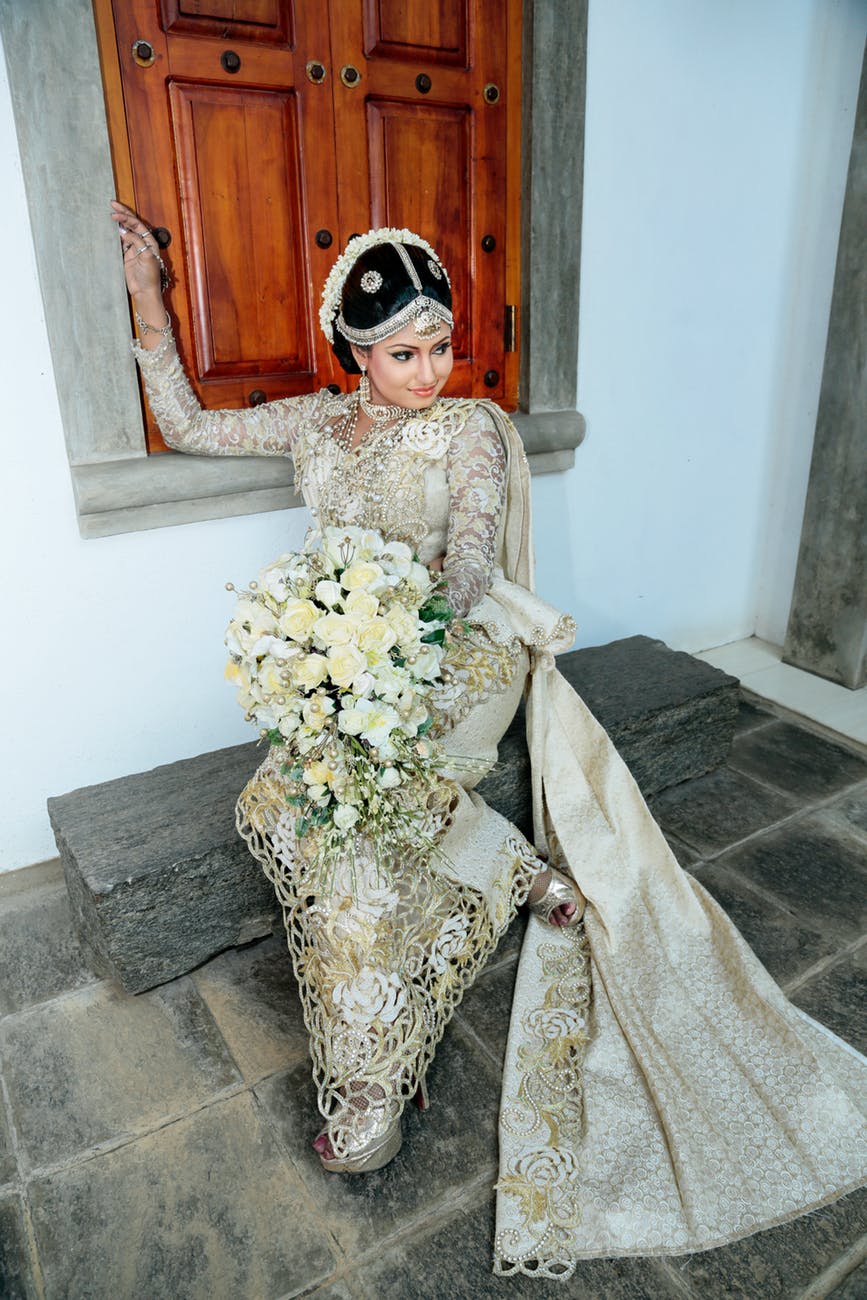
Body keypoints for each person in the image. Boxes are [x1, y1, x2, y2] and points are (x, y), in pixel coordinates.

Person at [111, 200, 867, 1281]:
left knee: (365, 814)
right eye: (403, 353)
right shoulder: (314, 423)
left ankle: (372, 1079)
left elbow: (469, 563)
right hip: (350, 669)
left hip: (454, 655)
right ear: (355, 351)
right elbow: (189, 426)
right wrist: (150, 301)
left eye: (440, 347)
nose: (429, 371)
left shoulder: (467, 431)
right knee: (296, 809)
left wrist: (394, 663)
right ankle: (502, 876)